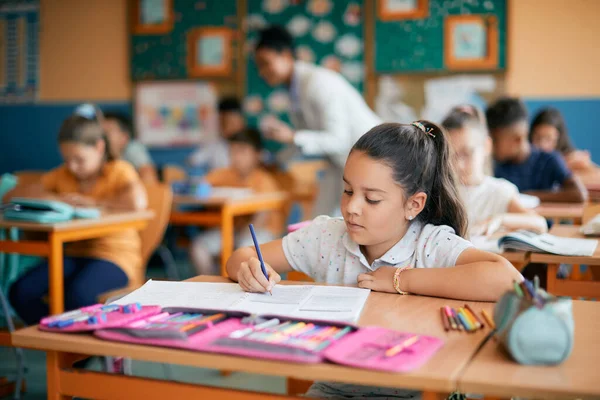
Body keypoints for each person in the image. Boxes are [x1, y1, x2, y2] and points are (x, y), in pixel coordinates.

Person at [226, 121, 521, 398]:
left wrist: (400, 279)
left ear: (413, 205)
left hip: (420, 390)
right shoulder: (326, 236)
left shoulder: (429, 243)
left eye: (372, 199)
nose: (352, 207)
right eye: (347, 190)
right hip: (335, 389)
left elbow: (508, 279)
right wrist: (248, 269)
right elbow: (242, 255)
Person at [7, 112, 148, 325]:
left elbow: (138, 202)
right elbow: (13, 195)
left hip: (114, 255)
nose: (72, 166)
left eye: (79, 159)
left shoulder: (118, 170)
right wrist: (57, 198)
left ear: (99, 148)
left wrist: (93, 202)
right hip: (71, 253)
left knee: (78, 295)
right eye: (67, 159)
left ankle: (80, 353)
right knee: (21, 291)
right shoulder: (63, 174)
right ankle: (64, 341)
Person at [253, 25, 381, 217]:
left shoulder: (319, 83)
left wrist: (293, 136)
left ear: (286, 55)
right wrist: (277, 161)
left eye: (265, 63)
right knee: (320, 224)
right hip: (341, 165)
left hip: (372, 163)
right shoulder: (295, 90)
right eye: (259, 66)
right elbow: (309, 140)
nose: (262, 72)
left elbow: (339, 140)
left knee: (348, 227)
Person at [442, 107, 547, 238]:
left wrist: (499, 219)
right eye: (451, 155)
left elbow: (540, 223)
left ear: (486, 146)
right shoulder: (442, 191)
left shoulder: (499, 191)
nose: (459, 165)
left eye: (467, 153)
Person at [190, 128, 282, 275]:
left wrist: (234, 242)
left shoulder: (264, 181)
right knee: (199, 247)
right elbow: (199, 186)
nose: (236, 157)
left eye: (242, 151)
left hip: (259, 232)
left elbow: (261, 219)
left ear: (257, 155)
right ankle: (211, 283)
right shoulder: (224, 174)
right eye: (232, 151)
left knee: (244, 250)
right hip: (231, 230)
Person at [486, 97, 587, 203]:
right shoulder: (494, 165)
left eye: (495, 140)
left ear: (518, 139)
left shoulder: (550, 160)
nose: (491, 145)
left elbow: (579, 194)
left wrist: (529, 196)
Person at [187, 97, 245, 170]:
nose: (227, 127)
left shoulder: (252, 149)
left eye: (232, 123)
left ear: (242, 123)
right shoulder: (213, 147)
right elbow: (191, 161)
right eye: (223, 123)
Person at [529, 107, 594, 171]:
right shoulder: (524, 157)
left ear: (559, 139)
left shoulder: (570, 157)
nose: (542, 145)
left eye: (549, 139)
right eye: (538, 137)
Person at [102, 111, 158, 183]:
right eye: (101, 131)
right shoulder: (97, 152)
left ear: (124, 137)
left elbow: (149, 178)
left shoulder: (132, 148)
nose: (102, 136)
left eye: (108, 131)